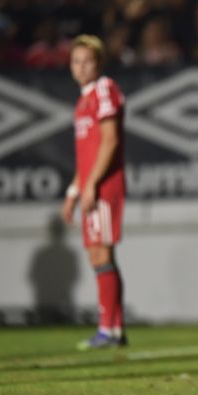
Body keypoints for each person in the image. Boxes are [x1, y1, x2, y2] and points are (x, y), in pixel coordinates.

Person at [61, 35, 128, 350]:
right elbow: (85, 156)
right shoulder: (82, 100)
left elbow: (110, 140)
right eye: (76, 61)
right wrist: (73, 191)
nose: (81, 67)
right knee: (100, 255)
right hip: (92, 185)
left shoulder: (104, 89)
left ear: (98, 63)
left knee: (101, 252)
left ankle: (107, 330)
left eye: (87, 60)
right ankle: (114, 329)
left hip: (105, 185)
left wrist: (90, 186)